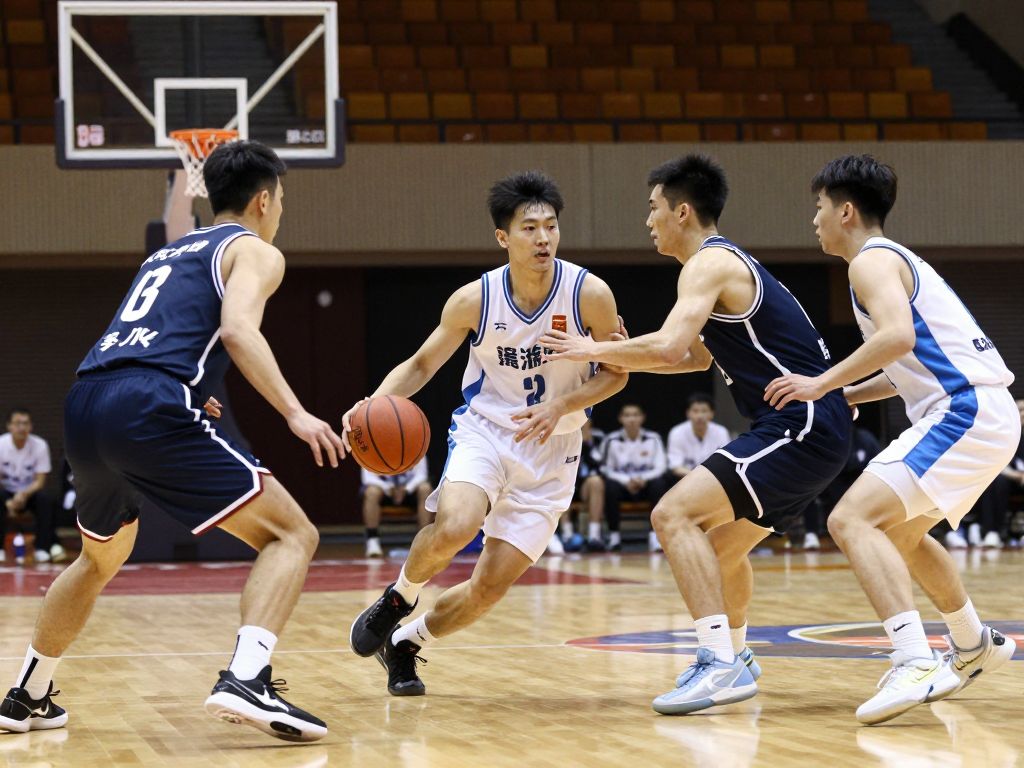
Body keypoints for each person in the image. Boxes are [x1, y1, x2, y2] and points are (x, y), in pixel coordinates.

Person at [0, 141, 345, 741]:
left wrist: (193, 386)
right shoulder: (256, 251)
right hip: (146, 405)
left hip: (87, 401)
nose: (281, 211)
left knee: (98, 557)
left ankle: (27, 692)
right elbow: (237, 330)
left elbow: (159, 337)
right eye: (282, 200)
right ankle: (246, 677)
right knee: (293, 534)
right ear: (263, 200)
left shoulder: (165, 253)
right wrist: (296, 413)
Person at [541, 154, 852, 715]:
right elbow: (687, 357)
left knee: (671, 514)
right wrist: (621, 357)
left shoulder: (707, 264)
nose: (649, 221)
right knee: (720, 548)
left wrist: (595, 349)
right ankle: (736, 654)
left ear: (682, 211)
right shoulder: (723, 266)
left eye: (654, 208)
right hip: (812, 427)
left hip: (800, 424)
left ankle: (718, 663)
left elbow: (664, 345)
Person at [344, 171, 627, 696]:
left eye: (550, 227)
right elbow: (422, 363)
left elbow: (617, 371)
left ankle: (406, 642)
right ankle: (400, 595)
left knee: (488, 588)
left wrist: (563, 404)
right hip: (486, 434)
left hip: (554, 450)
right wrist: (373, 404)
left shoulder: (590, 294)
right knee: (455, 526)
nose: (543, 238)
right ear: (504, 237)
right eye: (529, 228)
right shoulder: (474, 299)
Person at [765, 154, 1018, 724]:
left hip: (966, 410)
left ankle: (914, 659)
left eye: (819, 208)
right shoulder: (893, 260)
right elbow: (910, 359)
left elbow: (898, 338)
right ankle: (972, 643)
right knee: (899, 533)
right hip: (980, 411)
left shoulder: (870, 262)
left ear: (846, 210)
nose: (815, 220)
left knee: (849, 519)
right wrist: (846, 397)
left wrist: (820, 383)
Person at [600, 403, 670, 552]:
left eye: (635, 415)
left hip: (646, 485)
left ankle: (654, 537)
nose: (631, 419)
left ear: (642, 418)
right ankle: (614, 536)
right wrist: (626, 481)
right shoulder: (611, 440)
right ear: (620, 418)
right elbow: (606, 468)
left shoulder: (654, 438)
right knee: (609, 486)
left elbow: (661, 466)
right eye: (627, 415)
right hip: (622, 487)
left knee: (659, 484)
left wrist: (642, 479)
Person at [0, 408, 61, 564]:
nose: (22, 427)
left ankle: (42, 548)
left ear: (31, 427)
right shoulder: (1, 445)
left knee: (46, 500)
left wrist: (24, 495)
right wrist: (8, 502)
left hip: (30, 492)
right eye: (17, 423)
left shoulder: (40, 445)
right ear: (9, 426)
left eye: (25, 423)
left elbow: (40, 481)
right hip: (6, 492)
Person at [361, 457, 432, 557]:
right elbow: (368, 478)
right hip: (384, 490)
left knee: (425, 488)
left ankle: (423, 541)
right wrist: (389, 488)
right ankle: (372, 539)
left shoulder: (417, 442)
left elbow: (421, 475)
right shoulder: (371, 443)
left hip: (409, 491)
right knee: (371, 492)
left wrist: (406, 489)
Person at [666, 393, 732, 479]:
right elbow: (675, 466)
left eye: (704, 411)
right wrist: (697, 478)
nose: (700, 416)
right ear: (688, 413)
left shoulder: (721, 432)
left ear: (712, 414)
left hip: (714, 478)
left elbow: (725, 462)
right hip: (685, 478)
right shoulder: (677, 432)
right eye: (695, 411)